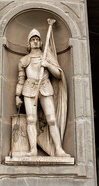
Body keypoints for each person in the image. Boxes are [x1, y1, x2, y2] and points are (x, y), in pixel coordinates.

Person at [15, 28, 69, 157]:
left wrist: (48, 65)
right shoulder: (24, 60)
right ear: (29, 43)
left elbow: (58, 75)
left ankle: (59, 149)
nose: (35, 41)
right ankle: (33, 149)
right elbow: (21, 79)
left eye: (37, 39)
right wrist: (17, 95)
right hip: (29, 88)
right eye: (32, 40)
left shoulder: (47, 56)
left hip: (44, 86)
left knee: (51, 119)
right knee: (31, 119)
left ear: (40, 42)